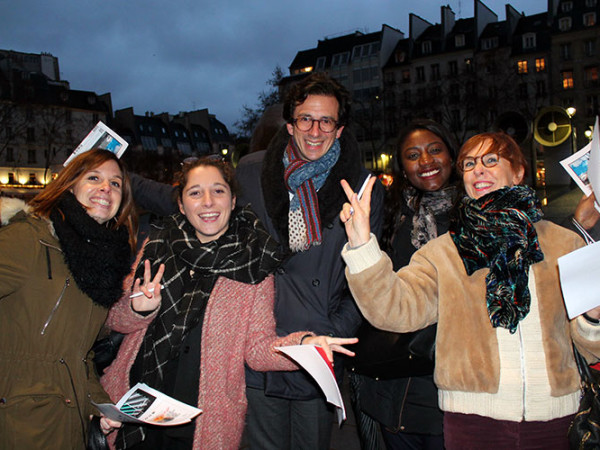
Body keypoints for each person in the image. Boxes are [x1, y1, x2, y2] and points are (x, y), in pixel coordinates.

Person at [340, 131, 600, 449]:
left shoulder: (565, 244)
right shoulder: (444, 252)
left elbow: (588, 348)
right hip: (474, 422)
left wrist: (592, 318)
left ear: (518, 171)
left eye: (491, 160)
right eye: (469, 164)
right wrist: (361, 245)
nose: (478, 170)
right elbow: (394, 310)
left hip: (557, 417)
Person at [100, 157, 357, 450]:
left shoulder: (253, 263)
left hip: (200, 422)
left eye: (218, 191)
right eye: (195, 193)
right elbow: (114, 320)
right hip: (133, 409)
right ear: (182, 205)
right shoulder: (157, 244)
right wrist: (137, 310)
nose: (208, 202)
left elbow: (257, 350)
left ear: (233, 200)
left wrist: (304, 345)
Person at [238, 72, 385, 449]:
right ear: (290, 125)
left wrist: (333, 330)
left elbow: (369, 273)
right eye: (306, 119)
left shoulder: (363, 187)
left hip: (318, 348)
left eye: (326, 121)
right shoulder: (251, 173)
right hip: (262, 347)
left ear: (339, 129)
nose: (315, 130)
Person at [0, 149, 137, 449]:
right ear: (70, 184)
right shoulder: (29, 238)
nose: (106, 188)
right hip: (18, 420)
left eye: (116, 184)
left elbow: (79, 355)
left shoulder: (104, 263)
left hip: (66, 421)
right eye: (94, 178)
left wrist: (100, 406)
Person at [349, 119, 457, 450]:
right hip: (399, 384)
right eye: (413, 155)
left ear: (452, 156)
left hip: (456, 379)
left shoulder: (478, 216)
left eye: (435, 150)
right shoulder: (390, 218)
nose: (426, 161)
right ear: (402, 167)